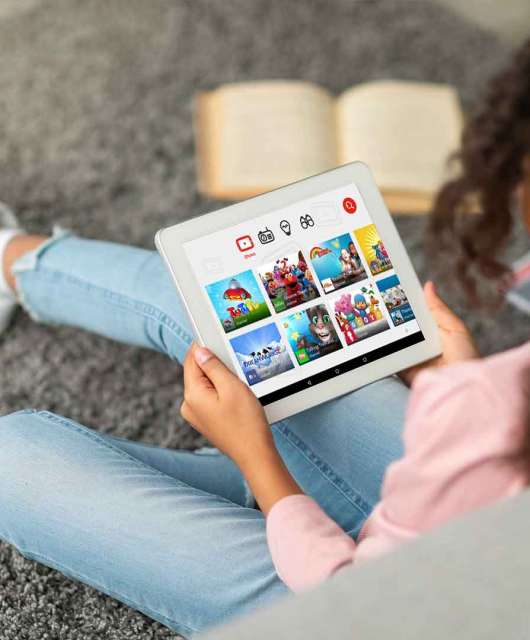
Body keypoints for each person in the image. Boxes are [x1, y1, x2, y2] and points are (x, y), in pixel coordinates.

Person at [0, 40, 529, 638]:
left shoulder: (485, 413)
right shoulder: (484, 410)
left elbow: (365, 601)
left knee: (11, 460)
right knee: (216, 313)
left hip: (366, 607)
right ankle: (14, 261)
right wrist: (456, 395)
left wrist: (260, 464)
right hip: (455, 517)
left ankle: (271, 481)